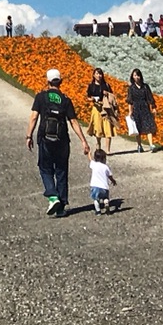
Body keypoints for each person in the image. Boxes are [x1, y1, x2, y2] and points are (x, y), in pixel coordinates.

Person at [26, 66, 91, 216]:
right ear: (60, 82)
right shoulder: (66, 99)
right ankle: (61, 207)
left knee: (45, 168)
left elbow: (34, 117)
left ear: (48, 81)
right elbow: (74, 122)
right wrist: (84, 141)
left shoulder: (41, 97)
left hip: (45, 138)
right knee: (61, 170)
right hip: (62, 140)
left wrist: (28, 135)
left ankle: (53, 196)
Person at [84, 67, 120, 153]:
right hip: (96, 108)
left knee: (108, 128)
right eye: (97, 74)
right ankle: (98, 145)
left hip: (106, 108)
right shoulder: (91, 86)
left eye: (100, 74)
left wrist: (107, 93)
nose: (99, 76)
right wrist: (92, 99)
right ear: (93, 75)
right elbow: (87, 97)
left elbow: (112, 96)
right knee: (98, 128)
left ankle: (107, 149)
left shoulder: (106, 85)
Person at [127, 67, 160, 152]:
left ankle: (151, 144)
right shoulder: (131, 88)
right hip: (136, 109)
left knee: (148, 125)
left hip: (145, 108)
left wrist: (153, 107)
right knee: (138, 128)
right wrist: (130, 111)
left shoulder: (145, 86)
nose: (137, 77)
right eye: (135, 75)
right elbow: (130, 101)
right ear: (132, 77)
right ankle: (139, 145)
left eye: (138, 75)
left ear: (140, 76)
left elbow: (150, 98)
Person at [88, 148, 115, 214]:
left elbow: (90, 159)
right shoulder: (105, 167)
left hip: (95, 187)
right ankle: (106, 202)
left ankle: (98, 211)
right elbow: (110, 176)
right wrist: (113, 181)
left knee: (96, 199)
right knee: (105, 197)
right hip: (104, 187)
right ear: (104, 159)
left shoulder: (94, 164)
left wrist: (89, 153)